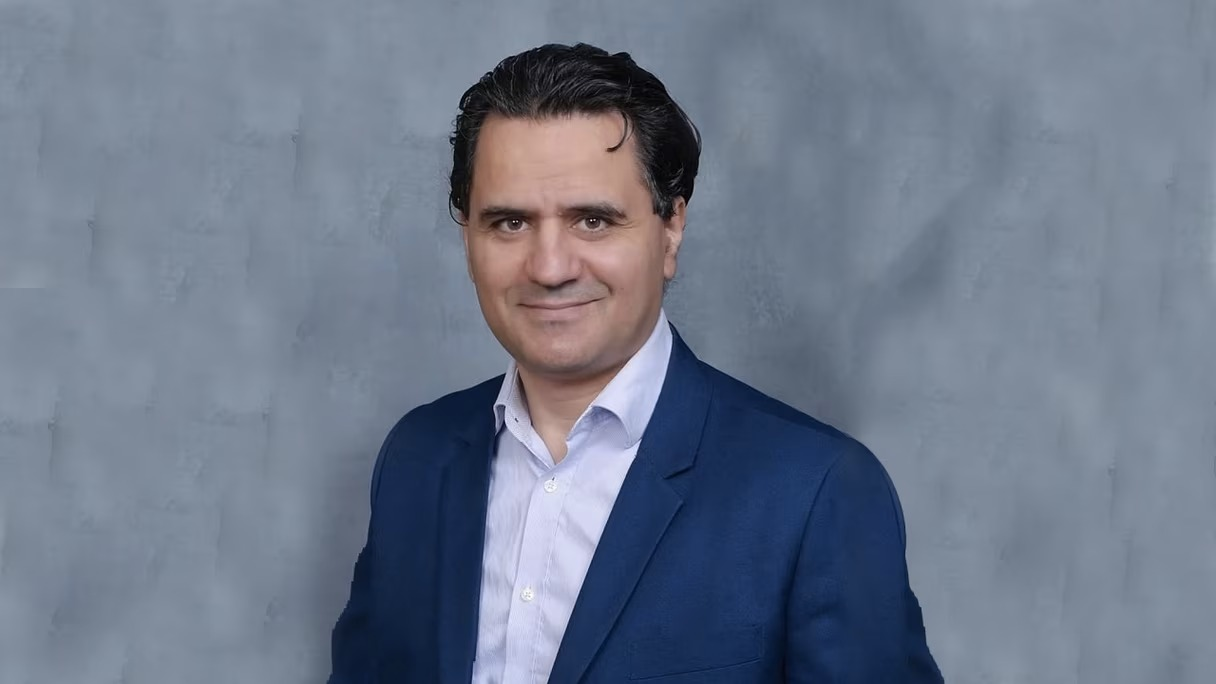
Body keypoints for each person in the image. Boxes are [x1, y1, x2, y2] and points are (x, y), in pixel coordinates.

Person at [328, 42, 943, 683]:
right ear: (467, 238)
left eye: (593, 221)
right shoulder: (416, 460)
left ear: (671, 228)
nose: (550, 267)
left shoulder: (817, 491)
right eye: (510, 223)